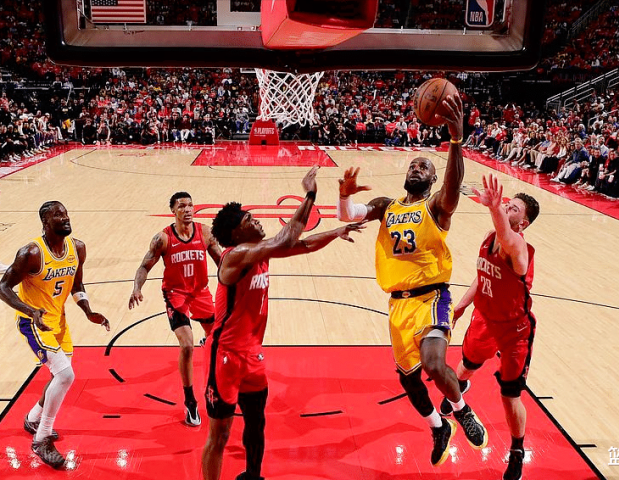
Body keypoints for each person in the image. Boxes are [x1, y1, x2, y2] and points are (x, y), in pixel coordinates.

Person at [336, 91, 488, 467]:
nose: (418, 168)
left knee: (434, 364)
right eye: (414, 165)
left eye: (425, 167)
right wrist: (343, 195)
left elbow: (453, 186)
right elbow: (349, 214)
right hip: (398, 305)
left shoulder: (436, 205)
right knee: (409, 380)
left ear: (433, 179)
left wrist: (456, 140)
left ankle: (462, 409)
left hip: (432, 297)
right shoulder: (386, 206)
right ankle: (438, 426)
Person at [201, 166, 363, 480]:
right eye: (249, 220)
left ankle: (253, 476)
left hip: (252, 355)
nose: (257, 221)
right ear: (237, 234)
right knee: (219, 435)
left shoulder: (261, 253)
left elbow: (303, 244)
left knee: (256, 424)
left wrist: (336, 232)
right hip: (225, 357)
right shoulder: (236, 256)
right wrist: (310, 195)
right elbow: (288, 236)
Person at [0, 201, 110, 468]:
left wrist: (88, 311)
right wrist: (30, 311)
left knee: (58, 376)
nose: (66, 218)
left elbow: (77, 284)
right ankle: (41, 438)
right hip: (33, 323)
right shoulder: (31, 253)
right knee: (65, 375)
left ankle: (33, 418)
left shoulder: (77, 248)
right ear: (45, 223)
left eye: (66, 213)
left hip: (58, 322)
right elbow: (3, 287)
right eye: (58, 215)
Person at [445, 174, 539, 480]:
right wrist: (462, 305)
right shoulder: (489, 236)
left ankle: (517, 451)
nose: (508, 208)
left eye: (514, 209)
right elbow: (482, 274)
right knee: (466, 365)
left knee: (509, 396)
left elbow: (507, 237)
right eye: (508, 204)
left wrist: (494, 208)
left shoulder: (519, 247)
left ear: (523, 223)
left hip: (514, 330)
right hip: (485, 318)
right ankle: (460, 390)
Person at [129, 192, 223, 426]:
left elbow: (221, 262)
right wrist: (137, 288)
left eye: (190, 205)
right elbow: (144, 266)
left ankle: (211, 354)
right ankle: (190, 401)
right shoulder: (162, 238)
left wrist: (236, 282)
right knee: (187, 345)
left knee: (217, 341)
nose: (188, 209)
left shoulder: (205, 232)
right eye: (182, 206)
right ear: (173, 210)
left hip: (200, 292)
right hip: (175, 294)